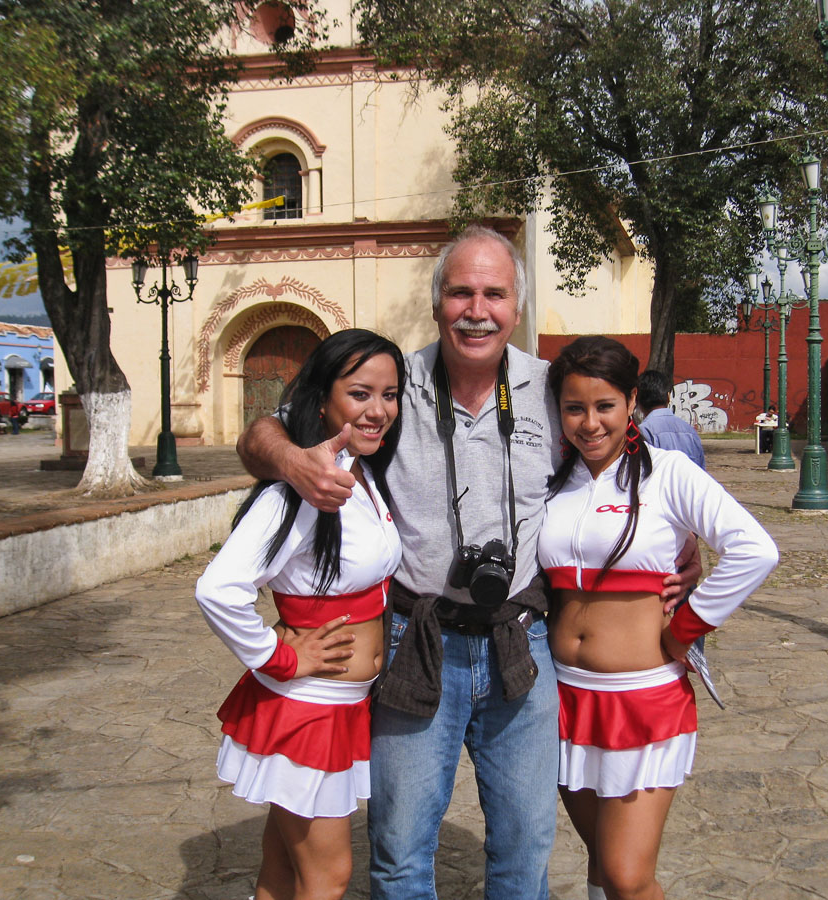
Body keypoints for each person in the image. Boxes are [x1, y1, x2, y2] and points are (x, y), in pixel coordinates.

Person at [236, 226, 701, 900]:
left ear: (517, 306)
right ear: (437, 304)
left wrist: (685, 547)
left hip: (523, 641)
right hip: (416, 638)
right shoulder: (392, 385)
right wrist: (291, 460)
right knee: (399, 850)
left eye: (494, 294)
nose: (476, 311)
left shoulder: (552, 388)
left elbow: (636, 468)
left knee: (524, 849)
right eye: (460, 293)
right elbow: (263, 432)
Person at [538, 336, 778, 900]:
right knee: (602, 862)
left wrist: (687, 626)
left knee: (628, 875)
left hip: (643, 702)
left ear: (631, 403)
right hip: (564, 698)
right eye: (574, 408)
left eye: (605, 406)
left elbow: (754, 549)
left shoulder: (668, 473)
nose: (590, 423)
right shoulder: (551, 478)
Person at [196, 329, 406, 900]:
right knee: (327, 877)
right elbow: (218, 589)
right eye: (360, 393)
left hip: (343, 707)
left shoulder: (363, 476)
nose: (378, 410)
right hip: (307, 710)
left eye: (389, 395)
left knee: (282, 872)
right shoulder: (298, 492)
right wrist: (279, 657)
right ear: (321, 402)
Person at [635, 370, 704, 470]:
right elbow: (700, 471)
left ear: (637, 400)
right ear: (668, 397)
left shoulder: (642, 432)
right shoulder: (690, 432)